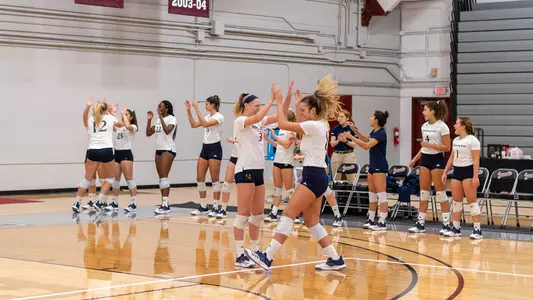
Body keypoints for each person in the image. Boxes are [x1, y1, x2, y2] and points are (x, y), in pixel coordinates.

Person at [245, 76, 346, 271]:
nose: (300, 114)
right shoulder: (321, 124)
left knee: (288, 213)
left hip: (313, 177)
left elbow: (284, 123)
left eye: (303, 111)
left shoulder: (314, 126)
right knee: (311, 221)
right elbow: (299, 123)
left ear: (314, 112)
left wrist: (280, 99)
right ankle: (334, 259)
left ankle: (267, 257)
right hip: (318, 177)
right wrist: (298, 102)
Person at [233, 82, 291, 268]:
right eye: (255, 105)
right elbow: (260, 115)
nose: (259, 108)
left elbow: (282, 114)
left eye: (260, 104)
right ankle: (239, 254)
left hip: (258, 170)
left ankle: (255, 250)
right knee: (243, 214)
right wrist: (271, 100)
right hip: (245, 170)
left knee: (257, 215)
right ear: (246, 106)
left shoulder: (259, 121)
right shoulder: (240, 121)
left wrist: (284, 97)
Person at [408, 100, 451, 234]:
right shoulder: (424, 126)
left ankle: (446, 224)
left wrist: (430, 146)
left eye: (425, 110)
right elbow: (424, 146)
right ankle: (420, 223)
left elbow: (447, 147)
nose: (423, 112)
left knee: (440, 193)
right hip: (425, 160)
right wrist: (415, 159)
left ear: (432, 111)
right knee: (423, 193)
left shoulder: (442, 126)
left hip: (437, 159)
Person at [344, 111, 389, 231]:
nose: (370, 118)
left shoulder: (381, 133)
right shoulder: (374, 132)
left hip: (380, 166)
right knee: (372, 194)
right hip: (373, 166)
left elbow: (366, 146)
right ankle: (371, 218)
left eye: (372, 116)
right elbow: (364, 138)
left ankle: (383, 221)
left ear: (377, 120)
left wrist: (351, 137)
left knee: (381, 194)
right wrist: (355, 130)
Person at [72, 98, 118, 213]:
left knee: (87, 178)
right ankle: (99, 201)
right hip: (106, 150)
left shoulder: (91, 119)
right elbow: (121, 124)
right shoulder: (110, 118)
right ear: (106, 109)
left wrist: (87, 106)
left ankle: (77, 203)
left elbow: (84, 118)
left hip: (92, 150)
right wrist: (112, 112)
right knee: (111, 178)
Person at [443, 117, 482, 239]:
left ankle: (477, 230)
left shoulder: (473, 140)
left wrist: (475, 176)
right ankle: (456, 228)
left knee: (471, 201)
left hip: (468, 171)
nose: (454, 126)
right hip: (457, 171)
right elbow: (451, 158)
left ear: (463, 126)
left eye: (456, 124)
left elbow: (476, 160)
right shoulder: (455, 140)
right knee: (456, 201)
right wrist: (445, 172)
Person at [185, 96, 225, 217]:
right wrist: (189, 111)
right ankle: (203, 206)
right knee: (200, 178)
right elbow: (193, 124)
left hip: (215, 148)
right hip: (205, 147)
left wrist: (197, 109)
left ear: (213, 105)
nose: (205, 106)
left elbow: (206, 124)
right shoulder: (206, 116)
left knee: (214, 178)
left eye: (207, 104)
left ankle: (216, 205)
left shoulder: (219, 116)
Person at [264, 110, 297, 223]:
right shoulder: (282, 129)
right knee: (277, 190)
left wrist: (274, 136)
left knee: (290, 190)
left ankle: (295, 214)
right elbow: (279, 145)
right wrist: (268, 139)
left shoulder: (292, 130)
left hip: (287, 163)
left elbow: (287, 145)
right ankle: (273, 213)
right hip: (277, 162)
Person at [146, 101, 177, 215]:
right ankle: (163, 203)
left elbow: (168, 131)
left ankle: (166, 204)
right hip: (158, 150)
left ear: (166, 109)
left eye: (160, 106)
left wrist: (160, 118)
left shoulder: (171, 119)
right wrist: (149, 120)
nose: (158, 108)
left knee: (164, 177)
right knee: (161, 178)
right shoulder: (158, 120)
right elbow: (148, 133)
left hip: (168, 149)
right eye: (158, 106)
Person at [105, 107, 139, 212]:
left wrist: (123, 113)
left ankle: (133, 203)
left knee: (129, 180)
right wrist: (110, 112)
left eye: (127, 115)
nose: (125, 116)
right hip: (117, 153)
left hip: (126, 154)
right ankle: (114, 203)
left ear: (131, 117)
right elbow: (114, 122)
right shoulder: (120, 126)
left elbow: (127, 125)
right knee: (116, 180)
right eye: (125, 114)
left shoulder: (133, 126)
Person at [330, 110, 358, 183]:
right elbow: (332, 144)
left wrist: (346, 141)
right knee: (336, 179)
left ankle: (352, 193)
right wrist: (338, 140)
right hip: (337, 154)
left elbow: (355, 144)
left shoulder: (352, 128)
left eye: (342, 117)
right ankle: (337, 194)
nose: (339, 118)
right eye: (338, 117)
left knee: (351, 178)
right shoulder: (335, 129)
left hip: (348, 154)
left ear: (347, 118)